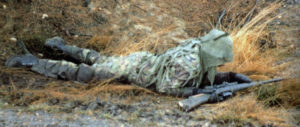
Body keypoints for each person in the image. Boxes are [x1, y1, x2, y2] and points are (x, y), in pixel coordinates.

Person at [5, 29, 251, 97]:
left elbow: (202, 76)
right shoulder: (189, 63)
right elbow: (166, 89)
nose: (220, 64)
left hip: (141, 61)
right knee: (86, 74)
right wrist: (195, 92)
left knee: (102, 60)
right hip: (135, 70)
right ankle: (32, 61)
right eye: (222, 62)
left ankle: (61, 46)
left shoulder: (199, 49)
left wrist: (228, 77)